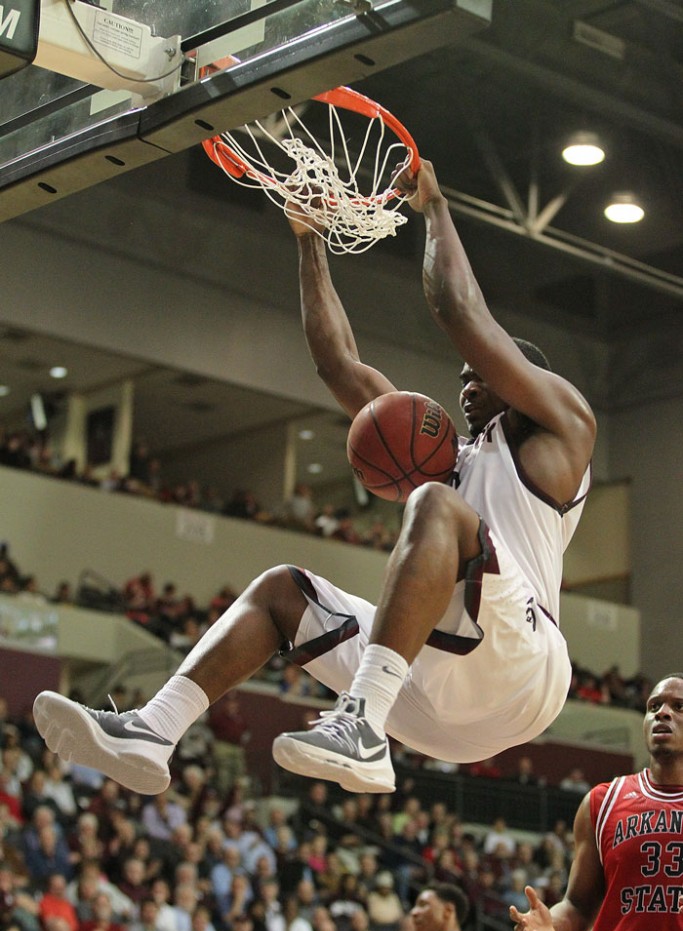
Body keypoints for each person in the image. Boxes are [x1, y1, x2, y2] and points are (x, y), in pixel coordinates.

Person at [31, 158, 595, 798]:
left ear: (526, 381)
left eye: (482, 373)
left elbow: (461, 312)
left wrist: (435, 209)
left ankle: (360, 727)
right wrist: (309, 241)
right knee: (281, 593)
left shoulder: (565, 429)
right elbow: (339, 365)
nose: (465, 381)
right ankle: (152, 732)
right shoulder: (451, 459)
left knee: (433, 504)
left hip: (522, 667)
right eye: (463, 375)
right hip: (432, 700)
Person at [509, 673, 683, 931]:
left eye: (678, 707)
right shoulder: (602, 802)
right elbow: (578, 905)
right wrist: (552, 926)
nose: (663, 713)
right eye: (654, 707)